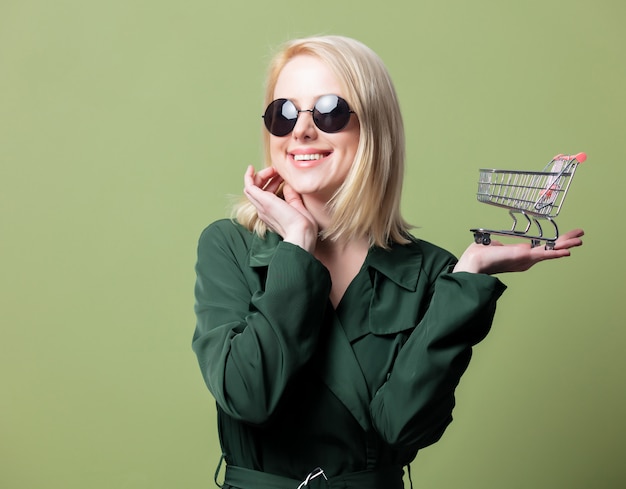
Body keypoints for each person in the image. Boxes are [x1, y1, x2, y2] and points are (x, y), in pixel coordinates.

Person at [192, 35, 584, 489]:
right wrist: (297, 246)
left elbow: (402, 426)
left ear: (373, 127)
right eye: (284, 113)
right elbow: (247, 395)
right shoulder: (230, 248)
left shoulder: (428, 272)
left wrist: (467, 279)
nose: (300, 131)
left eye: (329, 111)